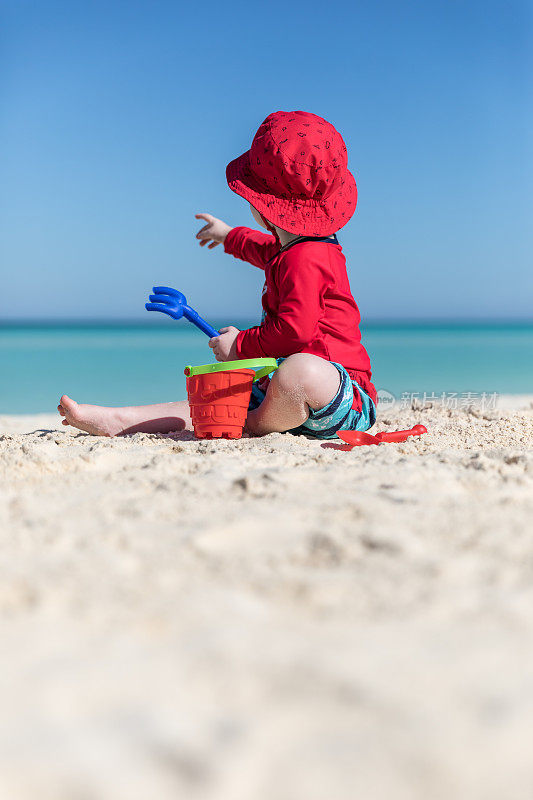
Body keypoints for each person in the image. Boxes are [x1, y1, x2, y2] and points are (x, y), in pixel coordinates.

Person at [58, 110, 377, 438]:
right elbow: (266, 251)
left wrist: (241, 345)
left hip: (341, 400)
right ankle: (122, 419)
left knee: (299, 370)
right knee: (213, 401)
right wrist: (228, 235)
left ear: (264, 208)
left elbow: (293, 332)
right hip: (287, 399)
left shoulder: (307, 258)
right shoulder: (295, 249)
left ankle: (253, 424)